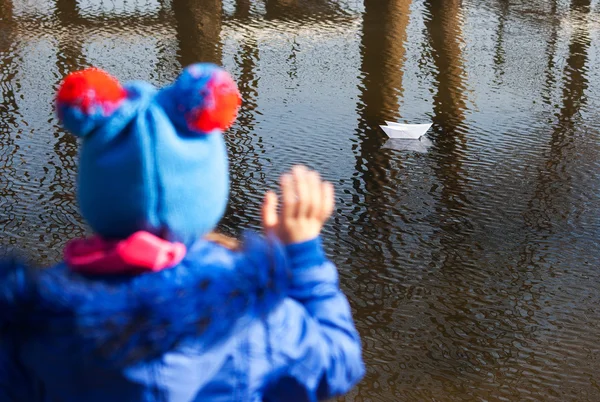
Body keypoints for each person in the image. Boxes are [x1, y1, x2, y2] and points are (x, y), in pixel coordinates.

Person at [0, 63, 364, 401]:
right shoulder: (252, 315)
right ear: (208, 193)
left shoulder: (36, 319)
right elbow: (339, 361)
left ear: (94, 195)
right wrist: (301, 257)